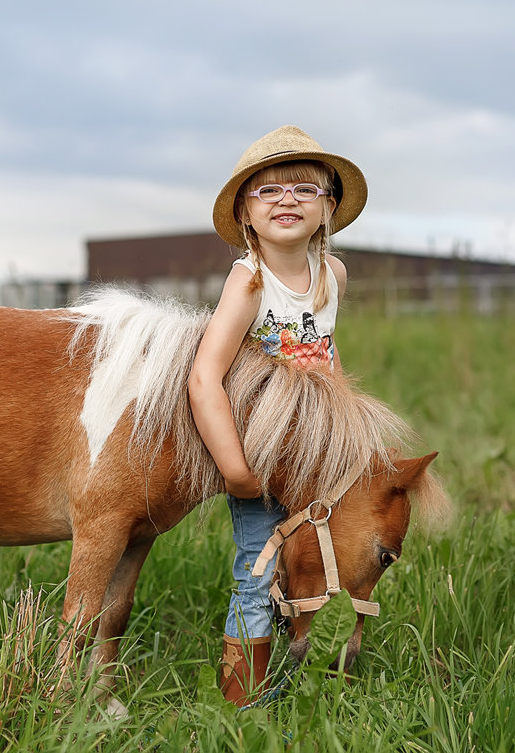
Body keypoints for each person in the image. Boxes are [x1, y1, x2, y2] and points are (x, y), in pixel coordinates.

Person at [188, 125, 368, 706]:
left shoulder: (332, 275)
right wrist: (235, 468)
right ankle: (243, 700)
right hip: (264, 453)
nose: (286, 199)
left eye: (303, 189)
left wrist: (342, 425)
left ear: (328, 207)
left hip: (314, 452)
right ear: (246, 212)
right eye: (268, 191)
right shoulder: (249, 282)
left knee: (311, 558)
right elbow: (205, 376)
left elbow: (328, 350)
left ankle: (292, 676)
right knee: (258, 568)